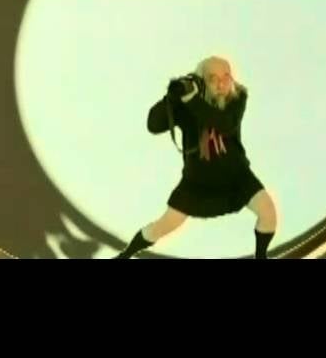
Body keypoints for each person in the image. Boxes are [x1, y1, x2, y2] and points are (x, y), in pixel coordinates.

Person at [115, 56, 277, 259]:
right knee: (161, 227)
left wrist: (192, 100)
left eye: (226, 77)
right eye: (212, 79)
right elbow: (153, 125)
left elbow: (225, 124)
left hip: (236, 175)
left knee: (268, 213)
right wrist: (172, 98)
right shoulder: (187, 104)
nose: (221, 84)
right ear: (201, 81)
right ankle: (124, 256)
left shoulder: (237, 98)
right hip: (197, 181)